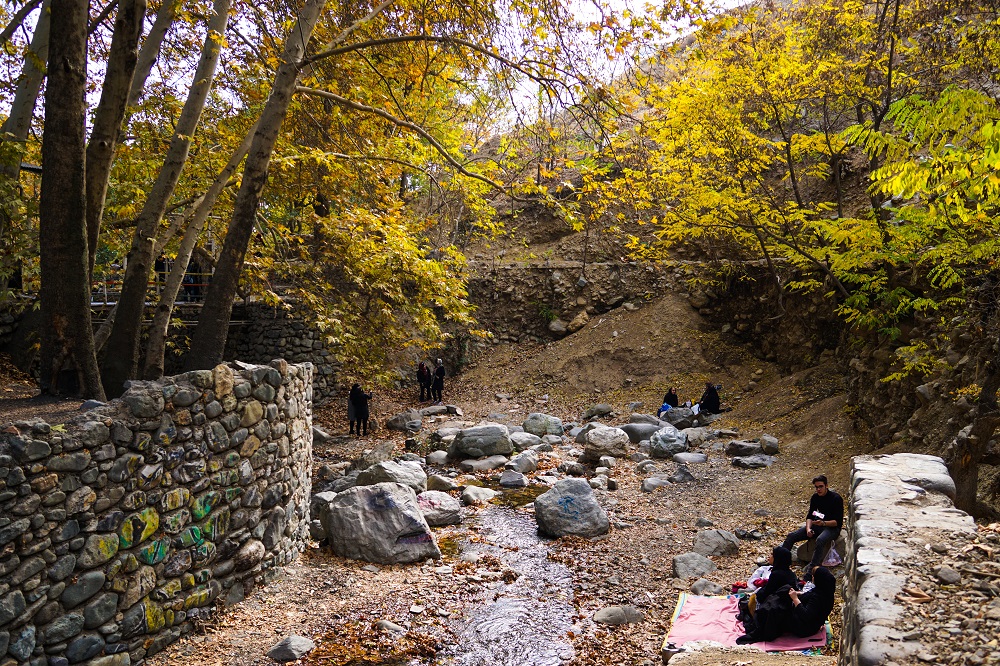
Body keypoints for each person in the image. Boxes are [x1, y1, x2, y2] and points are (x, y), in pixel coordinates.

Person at [782, 475, 844, 576]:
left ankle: (811, 572)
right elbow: (810, 515)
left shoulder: (836, 498)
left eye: (820, 486)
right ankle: (780, 563)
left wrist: (824, 523)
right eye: (816, 487)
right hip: (818, 524)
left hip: (832, 527)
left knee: (820, 540)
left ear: (826, 486)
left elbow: (838, 522)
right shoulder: (815, 497)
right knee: (791, 536)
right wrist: (808, 529)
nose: (818, 489)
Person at [786, 567, 836, 637]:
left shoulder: (817, 598)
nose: (812, 577)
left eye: (814, 576)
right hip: (813, 625)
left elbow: (805, 615)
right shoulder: (826, 592)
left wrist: (795, 599)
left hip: (804, 628)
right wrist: (799, 593)